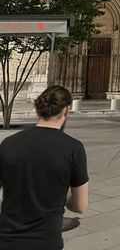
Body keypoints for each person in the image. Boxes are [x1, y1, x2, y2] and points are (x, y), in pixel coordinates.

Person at [0, 85, 89, 250]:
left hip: (6, 241)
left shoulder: (9, 144)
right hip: (46, 242)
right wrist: (65, 196)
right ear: (66, 111)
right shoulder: (73, 148)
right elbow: (80, 205)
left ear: (38, 111)